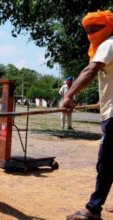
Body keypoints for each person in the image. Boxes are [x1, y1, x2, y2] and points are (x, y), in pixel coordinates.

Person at [65, 10, 113, 220]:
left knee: (106, 162)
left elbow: (89, 71)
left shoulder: (109, 44)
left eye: (96, 29)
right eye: (88, 31)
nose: (91, 34)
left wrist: (69, 95)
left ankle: (93, 209)